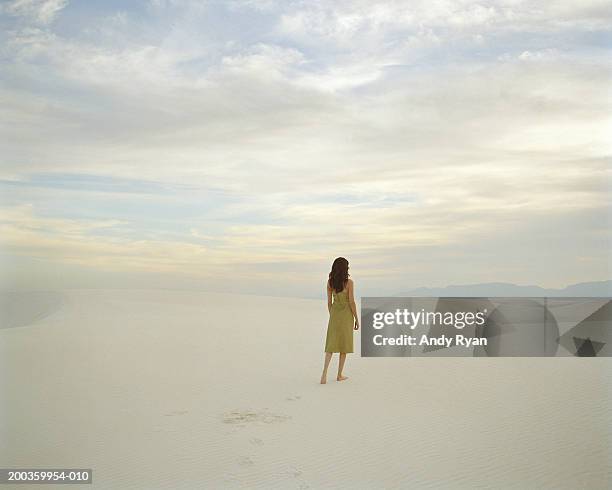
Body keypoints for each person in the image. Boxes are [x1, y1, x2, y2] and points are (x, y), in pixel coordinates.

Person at [320, 257, 359, 384]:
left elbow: (329, 302)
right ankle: (339, 375)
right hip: (347, 315)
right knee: (344, 345)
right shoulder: (349, 283)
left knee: (330, 345)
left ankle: (324, 375)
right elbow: (352, 302)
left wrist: (333, 315)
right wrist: (356, 319)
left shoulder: (330, 282)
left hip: (335, 315)